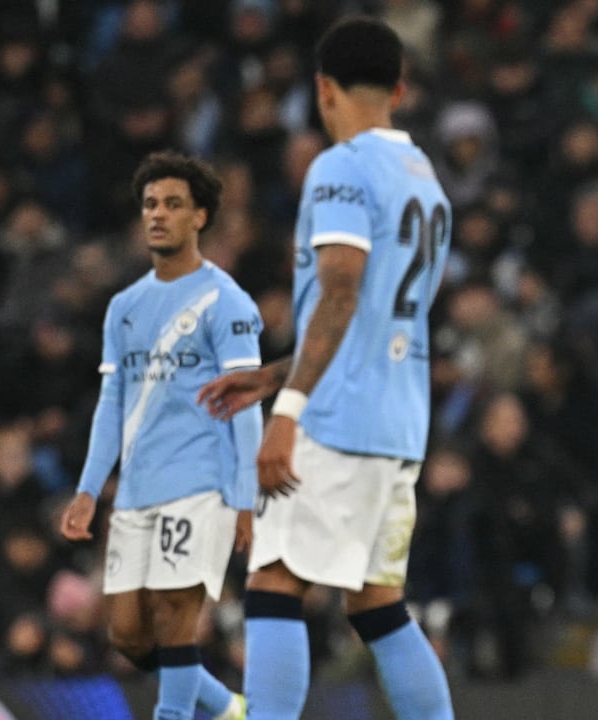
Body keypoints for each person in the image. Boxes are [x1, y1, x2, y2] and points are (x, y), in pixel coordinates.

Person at [196, 17, 454, 720]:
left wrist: (287, 412)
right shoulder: (425, 180)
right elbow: (371, 316)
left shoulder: (340, 166)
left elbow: (341, 292)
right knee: (377, 605)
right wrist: (274, 373)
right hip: (398, 422)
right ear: (399, 88)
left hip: (337, 421)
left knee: (275, 581)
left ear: (322, 89)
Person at [59, 150, 261, 720]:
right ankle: (225, 708)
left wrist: (245, 497)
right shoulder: (124, 307)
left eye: (173, 204)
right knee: (127, 635)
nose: (158, 214)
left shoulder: (227, 302)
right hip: (137, 489)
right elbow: (111, 403)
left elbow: (245, 403)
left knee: (176, 617)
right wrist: (88, 488)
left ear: (199, 217)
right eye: (150, 204)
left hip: (201, 481)